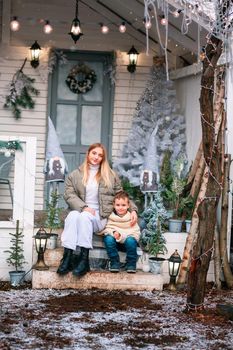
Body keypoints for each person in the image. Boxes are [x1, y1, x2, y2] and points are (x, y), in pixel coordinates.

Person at [57, 143, 138, 277]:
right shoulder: (75, 175)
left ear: (103, 158)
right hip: (81, 210)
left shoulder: (111, 176)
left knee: (84, 217)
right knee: (72, 216)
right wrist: (84, 207)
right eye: (94, 153)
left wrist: (133, 209)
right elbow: (69, 195)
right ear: (88, 153)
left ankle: (84, 260)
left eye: (100, 155)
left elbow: (121, 195)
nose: (96, 157)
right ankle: (67, 257)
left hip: (100, 216)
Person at [99, 191, 141, 273]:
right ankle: (114, 262)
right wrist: (114, 232)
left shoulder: (131, 217)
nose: (120, 208)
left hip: (127, 244)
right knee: (108, 238)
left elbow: (136, 232)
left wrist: (122, 235)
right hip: (114, 244)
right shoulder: (111, 216)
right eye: (118, 205)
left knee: (131, 241)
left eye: (123, 205)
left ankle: (131, 264)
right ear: (114, 206)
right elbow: (107, 229)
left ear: (128, 205)